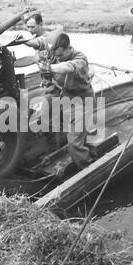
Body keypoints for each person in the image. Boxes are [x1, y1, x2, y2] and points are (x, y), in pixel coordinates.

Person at [37, 33, 95, 169]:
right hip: (64, 96)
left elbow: (69, 67)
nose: (58, 58)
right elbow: (39, 44)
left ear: (68, 48)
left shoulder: (80, 59)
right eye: (56, 56)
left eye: (60, 56)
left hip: (82, 101)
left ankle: (87, 167)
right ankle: (54, 148)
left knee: (74, 143)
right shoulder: (56, 54)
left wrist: (49, 68)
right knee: (42, 114)